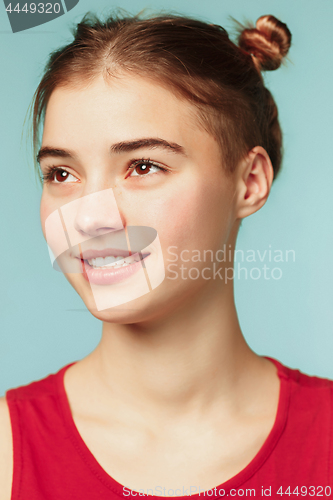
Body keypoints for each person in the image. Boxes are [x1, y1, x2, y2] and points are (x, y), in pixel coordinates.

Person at [0, 11, 332, 500]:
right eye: (61, 174)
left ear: (250, 181)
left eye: (143, 165)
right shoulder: (7, 449)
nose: (90, 219)